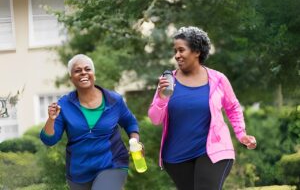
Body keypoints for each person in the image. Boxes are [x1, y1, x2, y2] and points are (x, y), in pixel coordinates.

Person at [148, 26, 257, 190]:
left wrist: (241, 134)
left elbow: (233, 107)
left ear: (197, 51)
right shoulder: (168, 80)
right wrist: (162, 98)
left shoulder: (218, 79)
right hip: (176, 157)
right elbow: (155, 119)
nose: (177, 55)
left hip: (213, 152)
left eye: (181, 50)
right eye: (175, 51)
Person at [40, 54, 140, 190]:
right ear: (71, 78)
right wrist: (51, 120)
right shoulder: (64, 105)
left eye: (88, 69)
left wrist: (135, 141)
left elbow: (130, 122)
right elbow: (49, 140)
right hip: (78, 172)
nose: (83, 73)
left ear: (94, 74)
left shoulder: (114, 100)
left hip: (112, 164)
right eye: (77, 70)